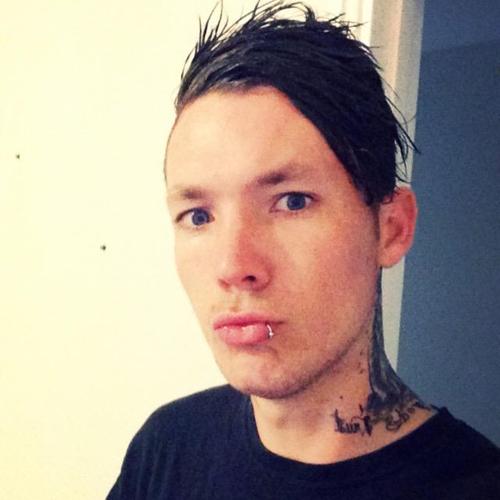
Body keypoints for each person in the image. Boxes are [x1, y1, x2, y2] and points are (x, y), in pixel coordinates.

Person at [107, 2, 500, 498]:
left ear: (391, 228)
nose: (233, 266)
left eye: (292, 202)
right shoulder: (166, 446)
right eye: (199, 216)